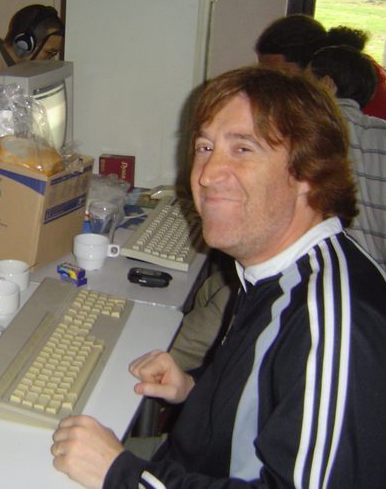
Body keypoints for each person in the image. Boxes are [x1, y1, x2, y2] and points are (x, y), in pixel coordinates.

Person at [51, 66, 386, 488]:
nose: (207, 174)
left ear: (308, 174)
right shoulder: (271, 270)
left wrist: (121, 473)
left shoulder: (332, 321)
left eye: (242, 149)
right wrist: (196, 393)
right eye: (205, 147)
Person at [309, 44, 386, 268]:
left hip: (329, 269)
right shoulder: (381, 132)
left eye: (306, 81)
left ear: (327, 85)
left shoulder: (310, 131)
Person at [255, 14, 386, 120]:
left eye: (280, 75)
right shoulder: (349, 77)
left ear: (311, 68)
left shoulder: (360, 104)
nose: (271, 83)